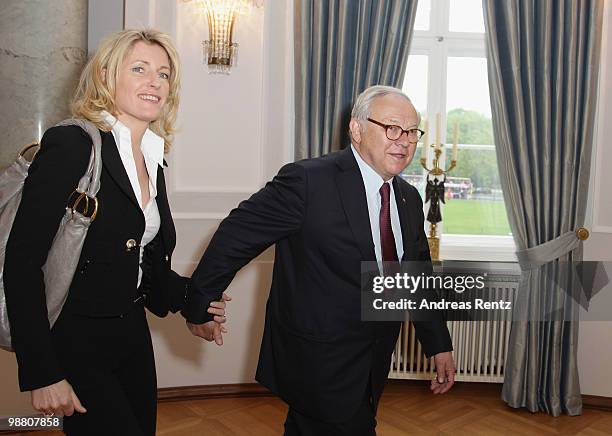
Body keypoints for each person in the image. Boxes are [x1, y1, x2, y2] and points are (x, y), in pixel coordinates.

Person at [182, 85, 456, 435]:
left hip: (373, 359)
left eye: (411, 131)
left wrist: (438, 343)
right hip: (317, 360)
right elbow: (237, 235)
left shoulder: (408, 198)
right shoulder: (308, 181)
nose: (404, 140)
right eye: (391, 128)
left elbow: (416, 277)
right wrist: (200, 301)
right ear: (356, 130)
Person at [4, 29, 228, 435]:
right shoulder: (72, 143)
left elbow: (143, 265)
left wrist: (196, 305)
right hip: (74, 339)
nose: (154, 82)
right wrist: (40, 371)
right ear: (106, 76)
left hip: (130, 335)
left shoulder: (152, 156)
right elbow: (21, 264)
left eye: (163, 74)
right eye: (139, 69)